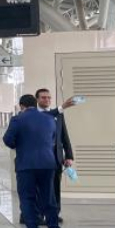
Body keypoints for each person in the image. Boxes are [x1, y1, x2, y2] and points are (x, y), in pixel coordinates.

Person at [3, 94, 60, 228]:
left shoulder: (17, 119)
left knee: (27, 197)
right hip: (48, 163)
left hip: (26, 164)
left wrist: (19, 145)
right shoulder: (49, 119)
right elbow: (53, 139)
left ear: (22, 106)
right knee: (49, 196)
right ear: (35, 104)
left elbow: (8, 140)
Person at [36, 89, 76, 220]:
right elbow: (45, 117)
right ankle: (40, 213)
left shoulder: (59, 115)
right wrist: (62, 107)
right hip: (40, 158)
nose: (47, 100)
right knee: (40, 187)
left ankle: (54, 214)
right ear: (37, 99)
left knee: (55, 186)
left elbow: (64, 135)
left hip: (56, 156)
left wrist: (69, 156)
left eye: (49, 98)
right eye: (43, 98)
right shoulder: (35, 115)